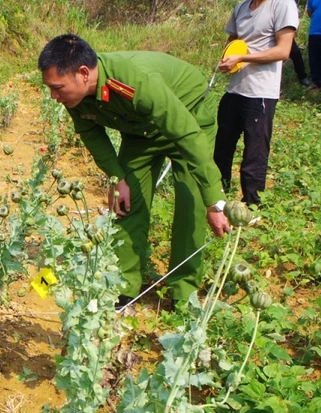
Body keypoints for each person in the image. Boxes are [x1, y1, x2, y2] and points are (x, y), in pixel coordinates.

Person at [38, 34, 231, 308]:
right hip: (141, 132)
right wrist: (118, 178)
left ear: (83, 73)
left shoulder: (135, 81)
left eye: (57, 88)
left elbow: (187, 134)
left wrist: (214, 200)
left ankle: (182, 293)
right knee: (126, 205)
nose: (53, 97)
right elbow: (91, 135)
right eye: (50, 89)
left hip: (189, 117)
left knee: (192, 205)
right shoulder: (75, 98)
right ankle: (124, 285)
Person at [213, 0, 299, 207]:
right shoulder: (241, 7)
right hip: (234, 89)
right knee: (222, 147)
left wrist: (243, 57)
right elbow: (232, 41)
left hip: (261, 92)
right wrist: (227, 59)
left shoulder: (282, 5)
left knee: (255, 152)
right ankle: (218, 195)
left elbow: (283, 51)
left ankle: (252, 203)